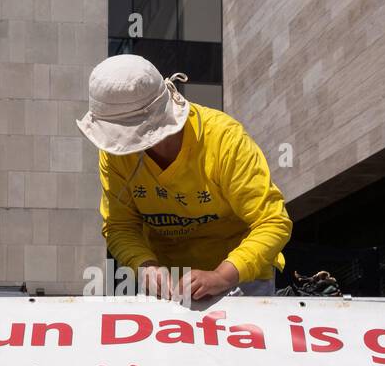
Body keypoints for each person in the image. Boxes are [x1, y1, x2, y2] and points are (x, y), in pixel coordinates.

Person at [78, 54, 292, 299]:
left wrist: (222, 276)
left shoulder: (223, 139)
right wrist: (145, 266)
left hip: (242, 278)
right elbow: (120, 226)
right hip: (168, 286)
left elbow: (272, 222)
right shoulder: (115, 154)